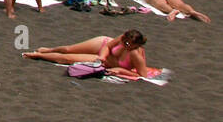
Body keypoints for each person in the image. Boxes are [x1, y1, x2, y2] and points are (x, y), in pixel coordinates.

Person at [24, 30, 152, 80]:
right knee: (69, 49)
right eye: (124, 42)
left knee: (67, 59)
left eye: (128, 44)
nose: (125, 45)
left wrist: (121, 71)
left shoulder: (136, 55)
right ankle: (49, 50)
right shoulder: (123, 38)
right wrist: (102, 56)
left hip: (106, 62)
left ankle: (38, 55)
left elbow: (142, 76)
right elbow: (108, 46)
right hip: (103, 46)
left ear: (136, 45)